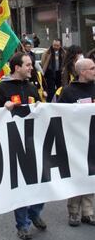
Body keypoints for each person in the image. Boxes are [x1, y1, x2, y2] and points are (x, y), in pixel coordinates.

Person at [0, 53, 44, 240]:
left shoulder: (31, 87)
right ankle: (23, 225)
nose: (32, 68)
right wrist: (1, 108)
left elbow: (38, 111)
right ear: (16, 68)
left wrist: (40, 106)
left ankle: (35, 211)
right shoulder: (0, 88)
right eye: (28, 65)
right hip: (12, 143)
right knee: (21, 184)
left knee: (43, 179)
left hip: (33, 141)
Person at [58, 58, 95, 226]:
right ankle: (73, 212)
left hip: (93, 138)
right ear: (82, 72)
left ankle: (89, 212)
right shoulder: (67, 92)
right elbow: (58, 115)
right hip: (75, 140)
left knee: (92, 173)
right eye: (92, 68)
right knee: (76, 175)